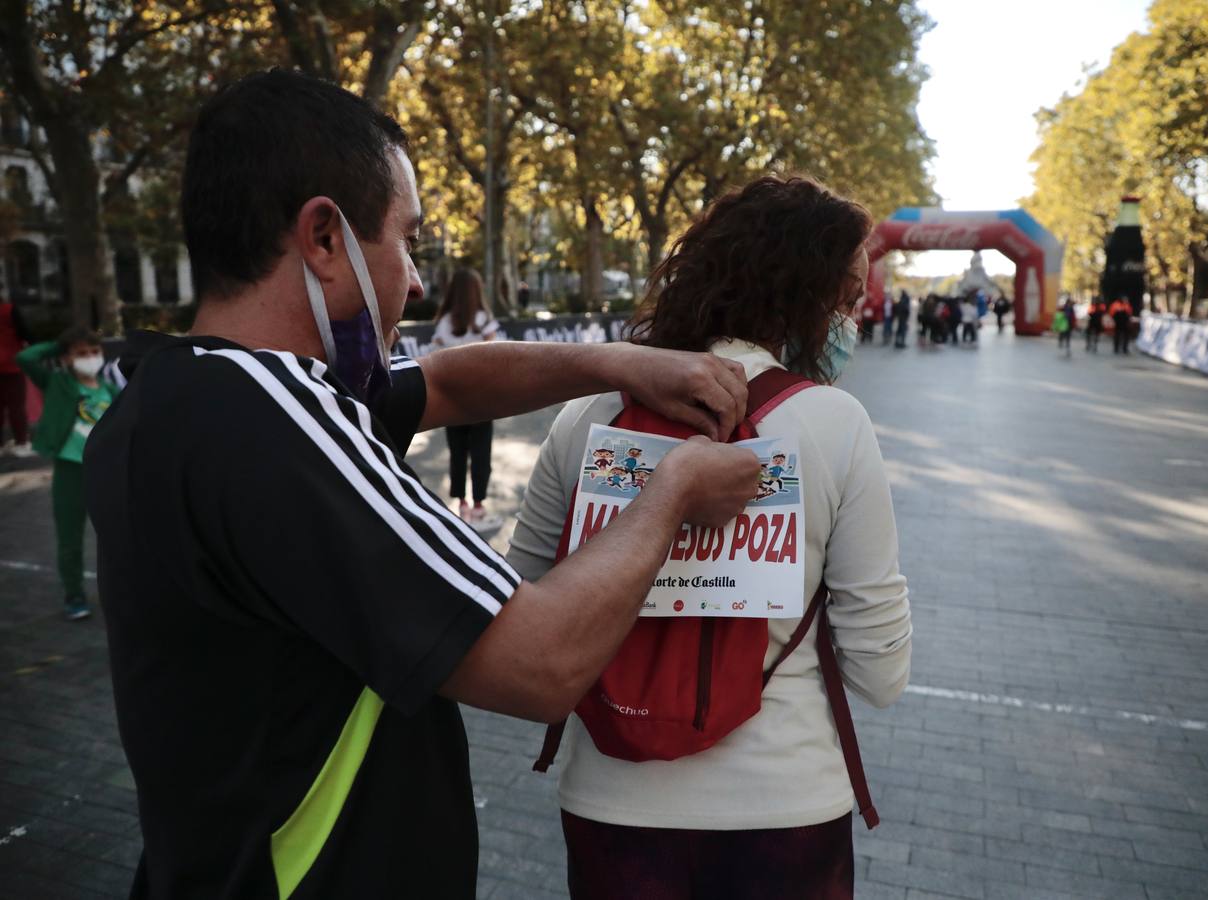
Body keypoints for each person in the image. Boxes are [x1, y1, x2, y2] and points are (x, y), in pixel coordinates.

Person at [83, 70, 763, 898]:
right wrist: (676, 488)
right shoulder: (272, 417)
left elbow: (447, 383)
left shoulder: (176, 396)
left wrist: (621, 362)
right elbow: (541, 662)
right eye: (406, 240)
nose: (412, 281)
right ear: (324, 238)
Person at [508, 174, 912, 898]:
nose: (853, 313)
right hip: (786, 805)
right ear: (804, 293)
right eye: (847, 295)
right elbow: (880, 670)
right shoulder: (834, 422)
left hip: (610, 801)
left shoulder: (587, 417)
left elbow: (522, 602)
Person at [17, 326, 117, 620]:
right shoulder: (57, 382)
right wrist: (58, 345)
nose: (90, 358)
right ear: (67, 359)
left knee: (115, 537)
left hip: (104, 472)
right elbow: (25, 358)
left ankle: (119, 592)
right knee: (70, 538)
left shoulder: (111, 390)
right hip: (70, 470)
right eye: (81, 353)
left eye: (94, 351)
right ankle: (74, 595)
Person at [432, 268, 503, 532]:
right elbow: (494, 357)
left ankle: (461, 504)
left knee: (457, 452)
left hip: (452, 399)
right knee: (481, 452)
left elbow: (437, 358)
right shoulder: (484, 321)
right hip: (482, 399)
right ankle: (479, 506)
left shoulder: (443, 323)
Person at [0, 297, 34, 456]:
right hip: (11, 364)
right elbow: (26, 333)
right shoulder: (9, 310)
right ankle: (21, 442)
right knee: (16, 407)